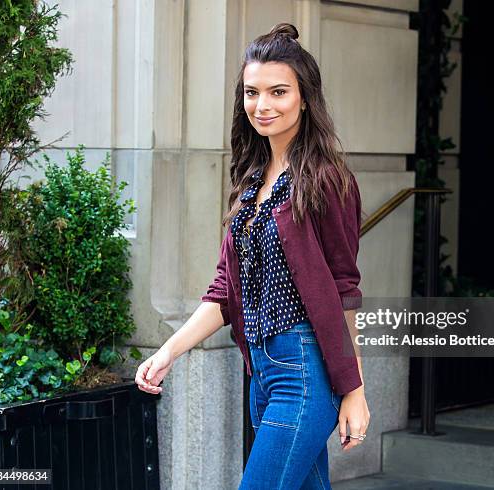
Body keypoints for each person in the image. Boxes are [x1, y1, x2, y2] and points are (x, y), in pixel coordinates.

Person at [135, 22, 371, 489]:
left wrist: (355, 392)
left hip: (304, 373)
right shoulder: (250, 181)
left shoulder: (326, 180)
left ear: (305, 96)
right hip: (261, 374)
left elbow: (345, 290)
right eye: (252, 93)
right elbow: (224, 292)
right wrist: (168, 352)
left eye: (278, 92)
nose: (263, 106)